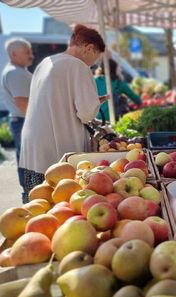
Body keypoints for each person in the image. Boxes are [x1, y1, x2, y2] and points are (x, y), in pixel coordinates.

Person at [19, 24, 106, 192]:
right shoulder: (78, 66)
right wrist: (95, 103)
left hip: (33, 148)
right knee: (60, 205)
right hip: (58, 152)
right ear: (89, 48)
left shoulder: (45, 63)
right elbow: (86, 115)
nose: (93, 65)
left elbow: (54, 100)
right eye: (95, 59)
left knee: (37, 203)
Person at [0, 37, 34, 204]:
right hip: (24, 121)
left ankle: (30, 195)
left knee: (26, 160)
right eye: (27, 52)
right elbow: (22, 102)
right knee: (29, 161)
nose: (31, 55)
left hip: (21, 121)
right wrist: (38, 121)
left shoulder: (16, 71)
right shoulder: (16, 73)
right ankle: (31, 197)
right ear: (14, 54)